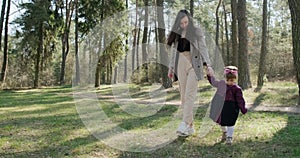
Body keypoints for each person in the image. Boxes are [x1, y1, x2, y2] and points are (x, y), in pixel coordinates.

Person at [167, 9, 211, 136]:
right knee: (183, 97)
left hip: (193, 64)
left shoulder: (196, 32)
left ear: (189, 21)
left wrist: (208, 65)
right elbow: (173, 52)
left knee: (190, 95)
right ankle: (190, 127)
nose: (184, 25)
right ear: (178, 23)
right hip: (180, 64)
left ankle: (184, 123)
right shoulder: (177, 34)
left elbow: (203, 49)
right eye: (181, 23)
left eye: (186, 22)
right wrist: (171, 68)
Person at [206, 66, 247, 145]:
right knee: (222, 121)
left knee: (231, 122)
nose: (229, 82)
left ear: (235, 79)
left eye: (231, 80)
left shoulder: (237, 89)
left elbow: (240, 99)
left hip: (231, 107)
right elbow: (214, 82)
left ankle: (229, 137)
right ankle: (224, 132)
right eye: (227, 80)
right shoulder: (221, 84)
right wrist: (210, 75)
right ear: (224, 78)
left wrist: (243, 108)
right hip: (221, 106)